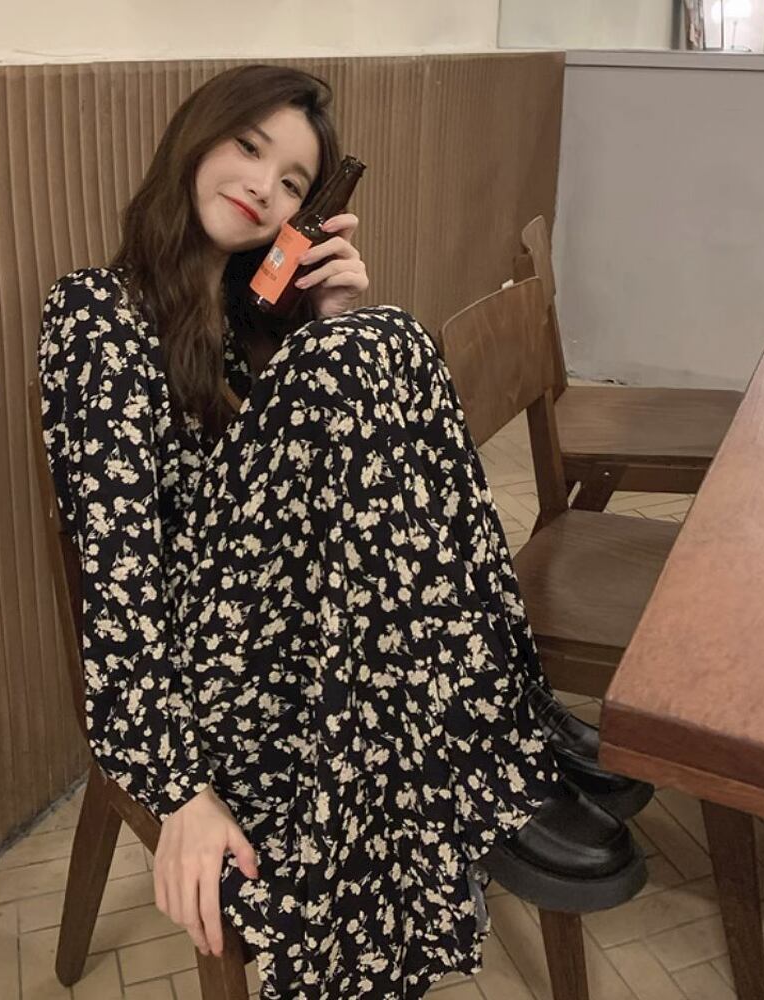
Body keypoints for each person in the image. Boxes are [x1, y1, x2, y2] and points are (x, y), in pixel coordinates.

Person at [38, 64, 649, 1000]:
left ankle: (499, 726)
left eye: (292, 183)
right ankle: (496, 747)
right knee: (366, 345)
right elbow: (118, 580)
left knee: (380, 332)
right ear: (193, 141)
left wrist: (321, 321)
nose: (263, 187)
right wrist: (178, 792)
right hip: (207, 672)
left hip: (299, 625)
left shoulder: (250, 319)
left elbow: (324, 494)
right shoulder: (95, 315)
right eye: (249, 148)